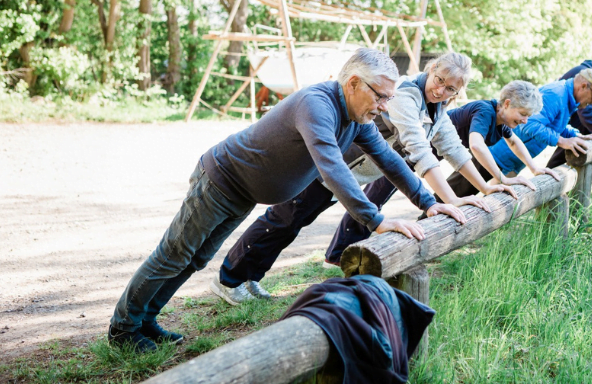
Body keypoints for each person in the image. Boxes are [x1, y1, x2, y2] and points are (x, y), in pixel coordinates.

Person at [108, 48, 457, 352]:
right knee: (175, 254)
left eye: (388, 98)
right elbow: (332, 166)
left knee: (195, 259)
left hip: (241, 192)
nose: (384, 106)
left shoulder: (358, 119)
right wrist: (376, 220)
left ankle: (146, 319)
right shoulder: (316, 104)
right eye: (380, 96)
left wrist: (427, 202)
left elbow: (390, 159)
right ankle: (123, 328)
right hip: (220, 180)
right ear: (353, 83)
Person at [324, 53, 521, 265]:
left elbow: (454, 148)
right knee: (294, 216)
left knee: (365, 203)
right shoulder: (405, 93)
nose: (440, 91)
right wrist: (452, 199)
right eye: (440, 81)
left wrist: (485, 187)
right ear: (433, 68)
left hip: (381, 167)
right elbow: (419, 149)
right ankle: (337, 256)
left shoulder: (437, 107)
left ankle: (340, 257)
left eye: (450, 90)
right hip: (341, 166)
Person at [441, 80, 561, 199]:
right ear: (507, 104)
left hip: (441, 150)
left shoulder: (502, 122)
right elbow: (476, 145)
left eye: (528, 116)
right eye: (523, 114)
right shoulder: (485, 111)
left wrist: (534, 169)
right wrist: (502, 179)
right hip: (429, 143)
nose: (525, 121)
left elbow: (514, 142)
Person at [488, 69, 592, 178]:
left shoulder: (567, 98)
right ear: (583, 86)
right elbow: (529, 124)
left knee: (498, 199)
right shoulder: (556, 94)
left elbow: (554, 125)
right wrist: (562, 141)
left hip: (514, 162)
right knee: (473, 194)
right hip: (496, 156)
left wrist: (576, 135)